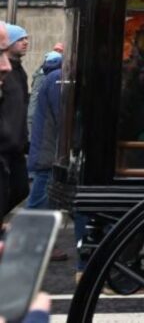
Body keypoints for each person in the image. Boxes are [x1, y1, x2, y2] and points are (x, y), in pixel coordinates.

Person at [26, 52, 68, 261]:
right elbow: (63, 116)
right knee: (40, 202)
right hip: (48, 150)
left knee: (44, 201)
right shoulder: (57, 79)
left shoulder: (54, 77)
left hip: (48, 149)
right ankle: (30, 246)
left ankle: (39, 246)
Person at [0, 24, 30, 217]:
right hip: (7, 146)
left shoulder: (19, 73)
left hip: (15, 147)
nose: (6, 67)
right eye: (20, 39)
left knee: (20, 189)